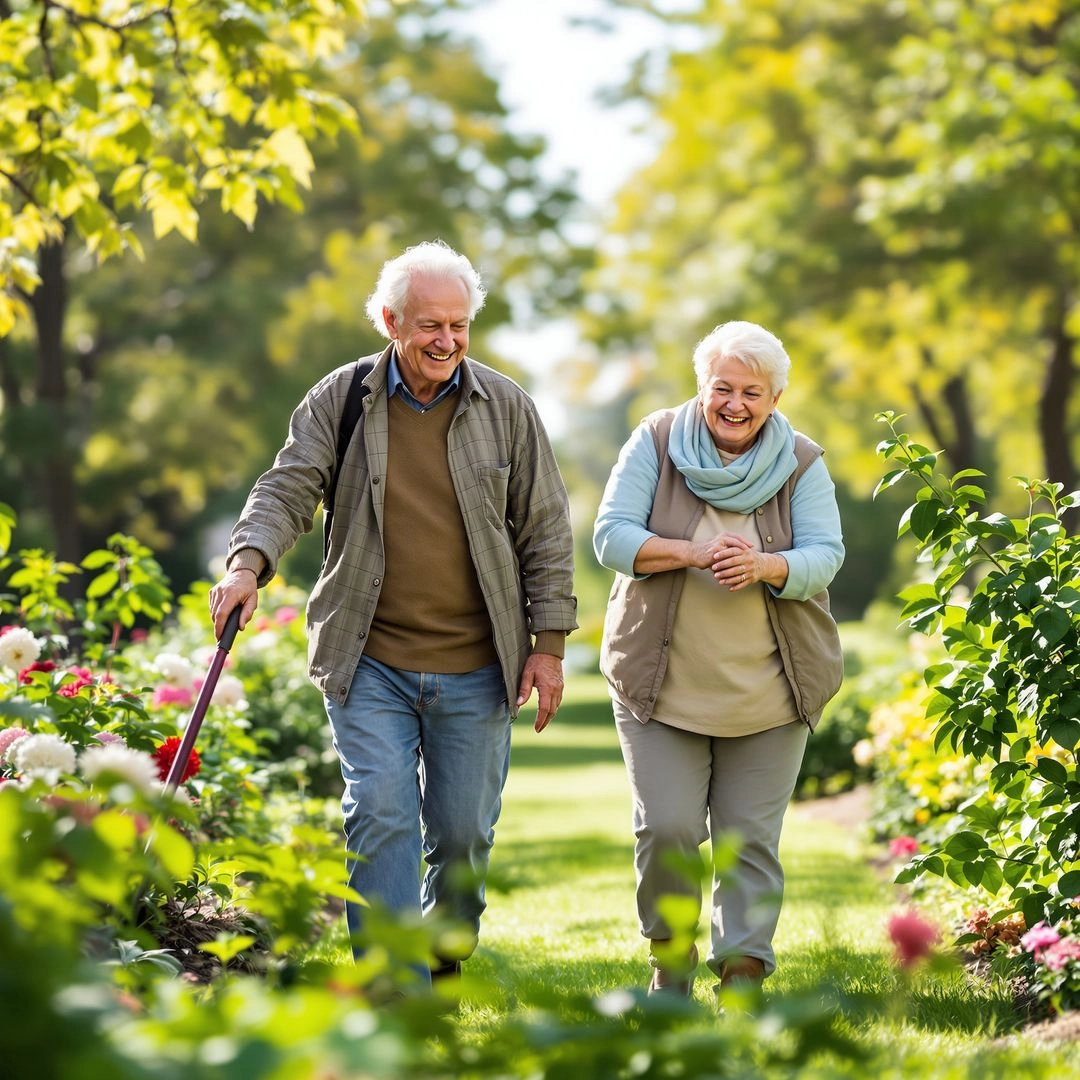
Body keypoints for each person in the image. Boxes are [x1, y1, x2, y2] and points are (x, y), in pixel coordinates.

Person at [208, 240, 577, 986]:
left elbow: (545, 527)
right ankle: (391, 989)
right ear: (389, 320)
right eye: (429, 326)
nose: (446, 341)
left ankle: (444, 950)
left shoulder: (505, 407)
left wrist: (550, 645)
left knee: (463, 835)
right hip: (367, 655)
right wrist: (248, 563)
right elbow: (287, 488)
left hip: (478, 663)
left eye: (459, 325)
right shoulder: (341, 399)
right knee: (378, 814)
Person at [592, 320, 843, 998]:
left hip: (768, 689)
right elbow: (611, 538)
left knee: (749, 840)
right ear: (703, 388)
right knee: (668, 827)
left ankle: (744, 974)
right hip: (660, 686)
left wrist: (765, 565)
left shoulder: (803, 463)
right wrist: (693, 552)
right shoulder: (657, 440)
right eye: (722, 388)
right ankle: (669, 964)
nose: (735, 404)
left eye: (752, 392)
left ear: (776, 397)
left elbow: (825, 556)